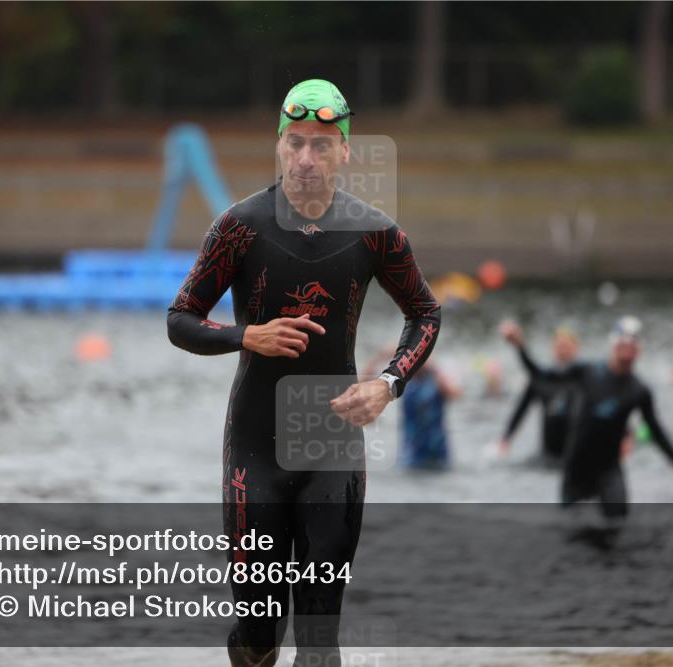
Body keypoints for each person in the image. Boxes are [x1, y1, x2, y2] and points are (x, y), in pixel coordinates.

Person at [167, 79, 441, 667]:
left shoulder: (375, 233)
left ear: (345, 151)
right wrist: (247, 336)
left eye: (321, 145)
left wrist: (388, 383)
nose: (305, 159)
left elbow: (425, 313)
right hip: (254, 449)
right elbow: (180, 319)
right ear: (279, 146)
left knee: (319, 638)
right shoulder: (240, 227)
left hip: (332, 447)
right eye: (294, 143)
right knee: (260, 629)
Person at [499, 316, 673, 522]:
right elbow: (539, 374)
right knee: (569, 531)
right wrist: (519, 346)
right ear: (613, 346)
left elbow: (656, 431)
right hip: (576, 466)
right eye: (622, 344)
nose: (626, 349)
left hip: (608, 467)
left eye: (632, 345)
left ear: (639, 351)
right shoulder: (588, 371)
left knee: (618, 526)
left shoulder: (639, 390)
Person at [500, 326, 579, 462]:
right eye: (560, 347)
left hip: (576, 453)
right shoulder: (542, 381)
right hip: (548, 454)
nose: (564, 351)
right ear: (553, 349)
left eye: (567, 347)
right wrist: (507, 438)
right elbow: (521, 410)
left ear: (576, 349)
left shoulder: (584, 380)